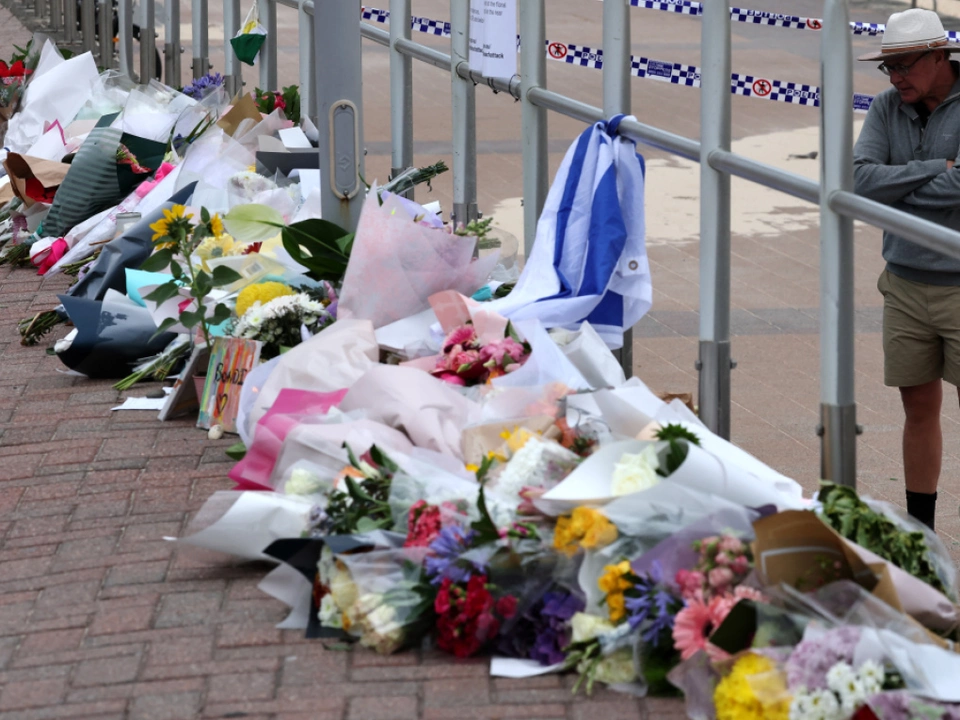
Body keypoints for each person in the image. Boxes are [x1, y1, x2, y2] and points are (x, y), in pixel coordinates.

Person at [853, 8, 960, 531]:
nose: (896, 78)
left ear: (940, 56)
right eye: (888, 68)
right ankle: (923, 534)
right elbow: (862, 181)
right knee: (917, 409)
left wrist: (901, 188)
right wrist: (937, 170)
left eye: (905, 65)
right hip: (904, 280)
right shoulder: (885, 107)